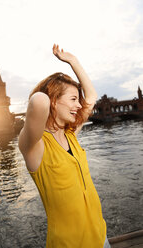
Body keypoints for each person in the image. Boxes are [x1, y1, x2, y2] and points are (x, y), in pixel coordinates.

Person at [18, 44, 111, 248]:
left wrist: (73, 61)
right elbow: (39, 101)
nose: (79, 105)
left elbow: (92, 96)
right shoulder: (35, 147)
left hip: (100, 239)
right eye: (73, 99)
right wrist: (52, 86)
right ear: (53, 102)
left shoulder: (71, 134)